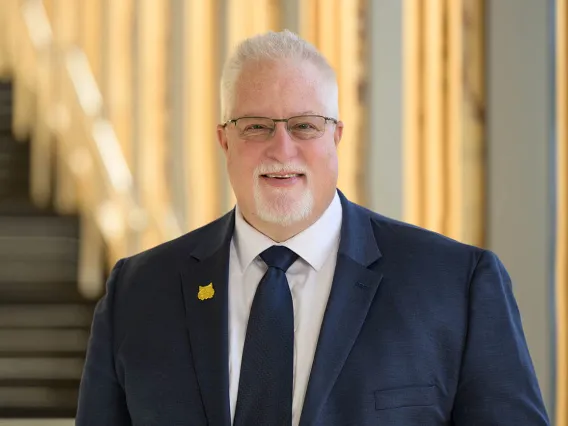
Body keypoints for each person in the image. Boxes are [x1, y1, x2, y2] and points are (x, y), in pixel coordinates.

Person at [76, 30, 549, 426]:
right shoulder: (137, 293)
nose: (282, 150)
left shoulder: (456, 285)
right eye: (256, 126)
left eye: (305, 126)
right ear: (224, 139)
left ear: (337, 136)